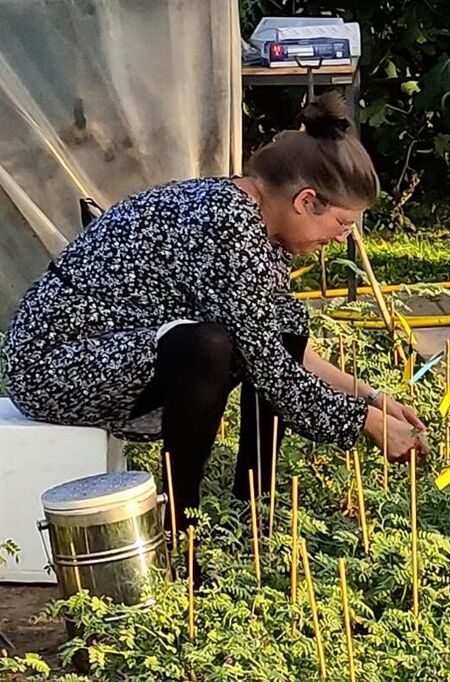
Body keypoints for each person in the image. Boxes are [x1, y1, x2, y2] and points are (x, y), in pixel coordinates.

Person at [3, 92, 427, 531]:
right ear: (305, 201)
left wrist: (372, 398)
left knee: (281, 325)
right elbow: (271, 370)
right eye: (341, 224)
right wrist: (367, 424)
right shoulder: (228, 224)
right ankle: (182, 526)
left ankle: (252, 506)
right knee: (206, 346)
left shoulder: (258, 222)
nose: (341, 239)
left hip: (112, 350)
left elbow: (277, 347)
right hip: (52, 367)